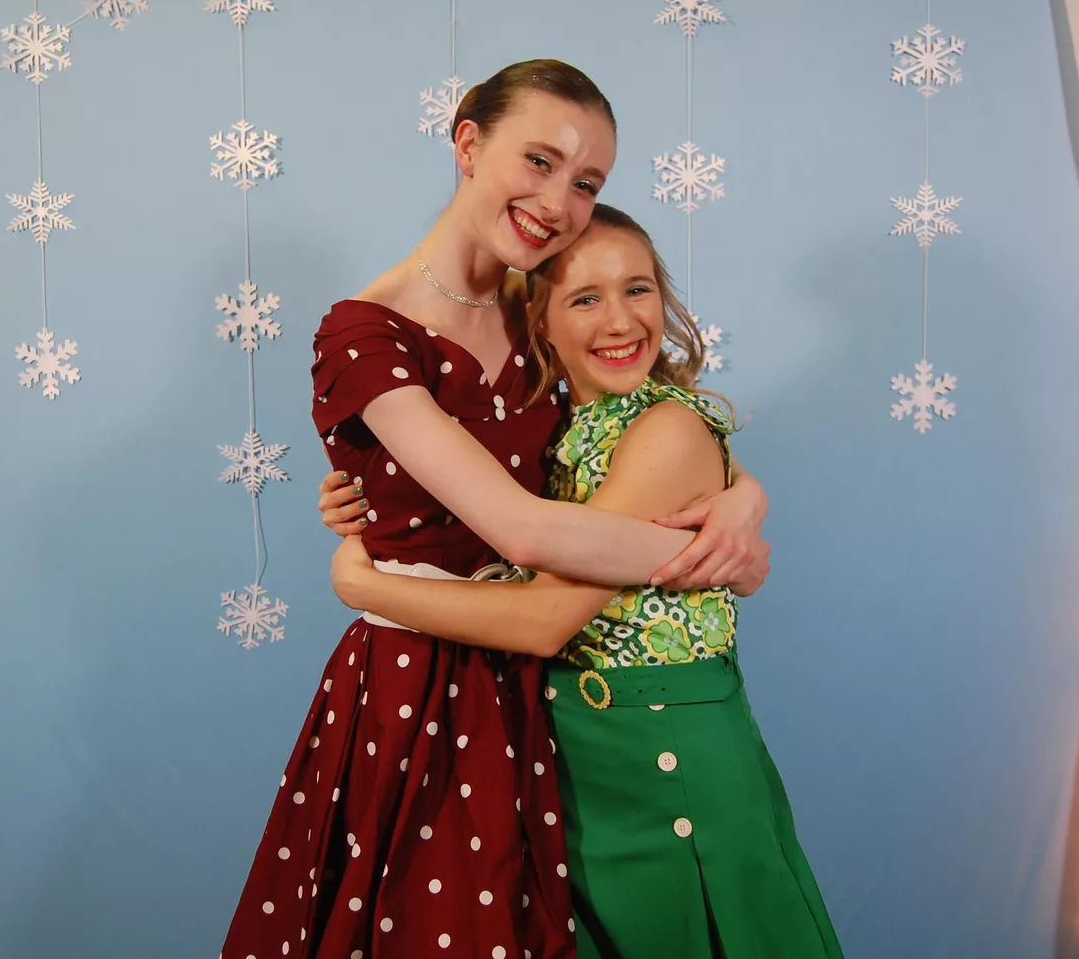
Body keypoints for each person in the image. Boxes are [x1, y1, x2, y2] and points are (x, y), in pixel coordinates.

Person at [221, 60, 772, 959]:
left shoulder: (543, 304)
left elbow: (663, 428)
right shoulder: (365, 333)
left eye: (586, 182)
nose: (559, 202)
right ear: (469, 144)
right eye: (540, 161)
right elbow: (517, 528)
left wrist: (742, 500)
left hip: (550, 689)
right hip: (420, 684)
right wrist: (697, 558)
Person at [324, 205, 842, 959]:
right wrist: (366, 494)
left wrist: (367, 590)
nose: (621, 321)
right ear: (539, 321)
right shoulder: (553, 422)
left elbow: (545, 620)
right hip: (569, 753)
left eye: (638, 289)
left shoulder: (666, 428)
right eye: (585, 299)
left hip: (667, 752)